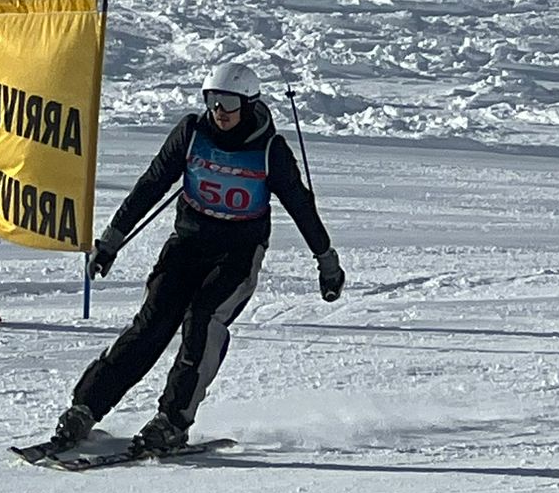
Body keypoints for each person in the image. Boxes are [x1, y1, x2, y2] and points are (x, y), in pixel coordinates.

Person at [47, 61, 344, 455]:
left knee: (203, 322)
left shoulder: (270, 150)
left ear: (248, 104)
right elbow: (152, 183)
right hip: (188, 243)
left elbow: (301, 206)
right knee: (152, 323)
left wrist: (326, 260)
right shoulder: (191, 133)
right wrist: (111, 240)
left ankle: (172, 421)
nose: (219, 111)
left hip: (238, 253)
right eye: (212, 100)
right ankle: (85, 407)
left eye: (229, 103)